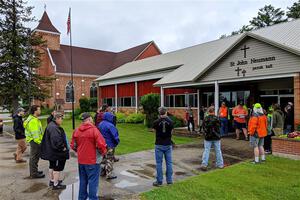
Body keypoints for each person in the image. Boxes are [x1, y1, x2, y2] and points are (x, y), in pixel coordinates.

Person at [71, 113, 107, 200]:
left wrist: (79, 151)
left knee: (83, 181)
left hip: (81, 161)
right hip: (92, 161)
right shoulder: (94, 130)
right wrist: (103, 153)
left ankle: (81, 198)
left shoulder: (76, 131)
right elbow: (101, 145)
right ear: (90, 119)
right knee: (93, 182)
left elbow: (73, 145)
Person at [41, 113, 69, 190]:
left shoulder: (51, 125)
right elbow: (56, 140)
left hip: (51, 151)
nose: (62, 120)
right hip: (56, 152)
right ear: (57, 119)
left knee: (52, 165)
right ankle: (55, 184)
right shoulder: (54, 127)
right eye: (61, 119)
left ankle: (52, 180)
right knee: (57, 167)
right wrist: (62, 148)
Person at [152, 107, 174, 186]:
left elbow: (154, 131)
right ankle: (169, 180)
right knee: (169, 163)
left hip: (159, 144)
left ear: (159, 113)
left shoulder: (156, 122)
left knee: (159, 163)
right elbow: (171, 132)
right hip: (168, 144)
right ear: (166, 112)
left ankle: (159, 181)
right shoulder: (170, 122)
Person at [24, 105, 45, 178]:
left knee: (35, 157)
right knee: (34, 157)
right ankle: (34, 173)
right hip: (35, 141)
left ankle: (35, 171)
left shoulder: (34, 119)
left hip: (35, 141)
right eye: (39, 109)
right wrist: (39, 142)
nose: (40, 111)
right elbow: (35, 133)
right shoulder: (33, 121)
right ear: (35, 111)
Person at [200, 106, 224, 171]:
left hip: (208, 137)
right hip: (216, 136)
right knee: (218, 150)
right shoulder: (217, 118)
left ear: (208, 111)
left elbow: (203, 128)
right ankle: (220, 164)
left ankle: (204, 164)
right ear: (214, 111)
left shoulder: (206, 119)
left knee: (207, 150)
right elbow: (220, 126)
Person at [98, 112, 120, 180]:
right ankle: (109, 174)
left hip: (102, 144)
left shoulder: (100, 124)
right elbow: (115, 136)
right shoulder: (110, 125)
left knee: (103, 158)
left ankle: (102, 171)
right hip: (110, 145)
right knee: (110, 159)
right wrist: (116, 142)